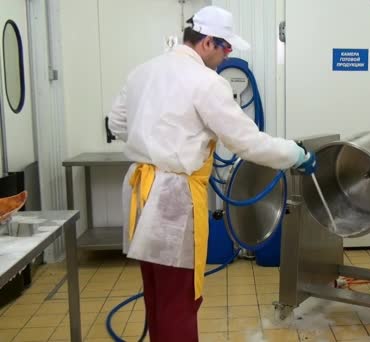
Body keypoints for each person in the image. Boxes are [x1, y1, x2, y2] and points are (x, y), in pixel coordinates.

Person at [107, 5, 316, 341]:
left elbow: (116, 123)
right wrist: (295, 155)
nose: (226, 56)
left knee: (157, 293)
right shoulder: (206, 82)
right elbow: (248, 143)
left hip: (141, 193)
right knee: (180, 300)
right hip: (172, 199)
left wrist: (153, 140)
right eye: (226, 48)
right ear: (207, 42)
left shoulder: (143, 72)